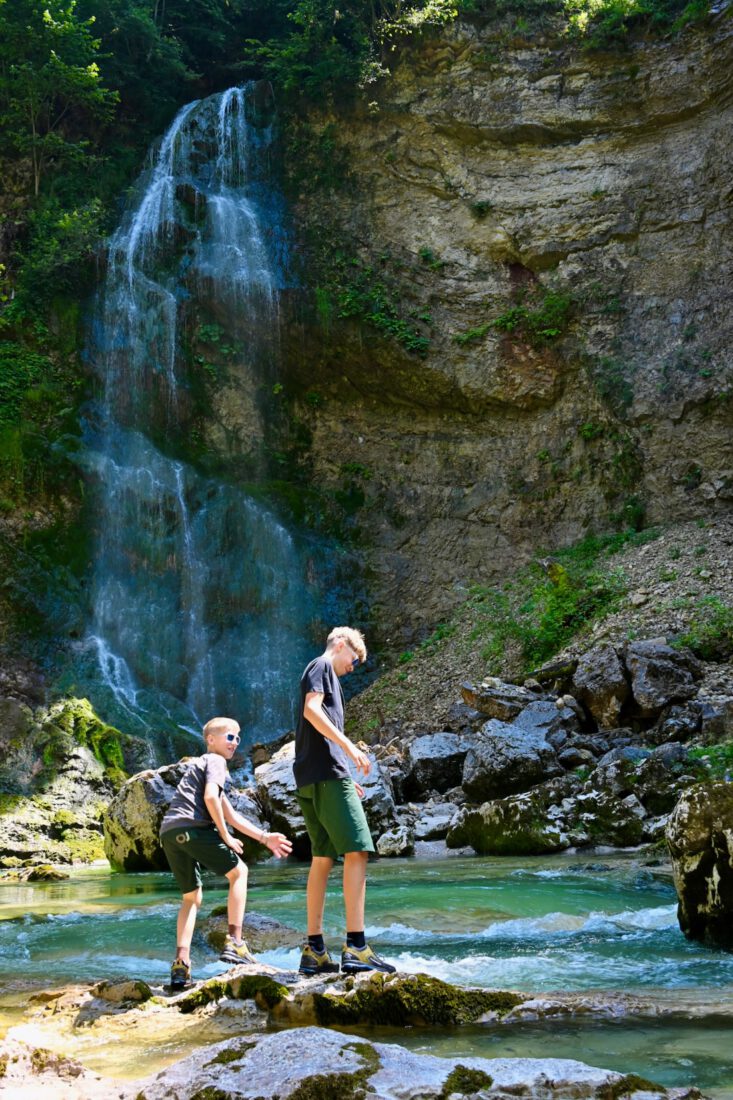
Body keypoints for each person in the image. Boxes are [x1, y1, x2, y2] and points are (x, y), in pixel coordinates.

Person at [160, 715, 292, 990]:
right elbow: (210, 800)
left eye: (238, 737)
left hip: (170, 832)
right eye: (230, 737)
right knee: (239, 872)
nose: (235, 742)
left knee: (191, 897)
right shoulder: (216, 762)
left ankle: (181, 963)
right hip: (194, 827)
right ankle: (235, 942)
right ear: (211, 740)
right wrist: (224, 836)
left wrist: (264, 837)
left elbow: (229, 814)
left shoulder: (199, 766)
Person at [294, 626, 395, 976]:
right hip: (325, 778)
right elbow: (311, 711)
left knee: (322, 857)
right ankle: (356, 946)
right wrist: (350, 749)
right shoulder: (320, 667)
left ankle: (314, 949)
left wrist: (345, 773)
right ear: (339, 645)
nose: (353, 667)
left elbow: (317, 736)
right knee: (358, 850)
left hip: (313, 777)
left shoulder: (322, 673)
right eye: (353, 659)